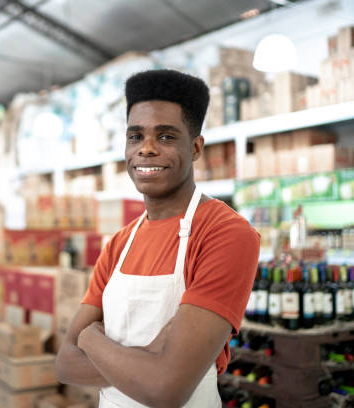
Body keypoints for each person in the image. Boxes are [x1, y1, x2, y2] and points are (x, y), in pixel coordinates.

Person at [55, 69, 260, 407]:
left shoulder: (225, 233)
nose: (146, 149)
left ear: (195, 148)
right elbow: (65, 364)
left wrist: (91, 338)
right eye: (135, 136)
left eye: (165, 137)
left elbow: (166, 389)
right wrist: (150, 361)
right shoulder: (120, 244)